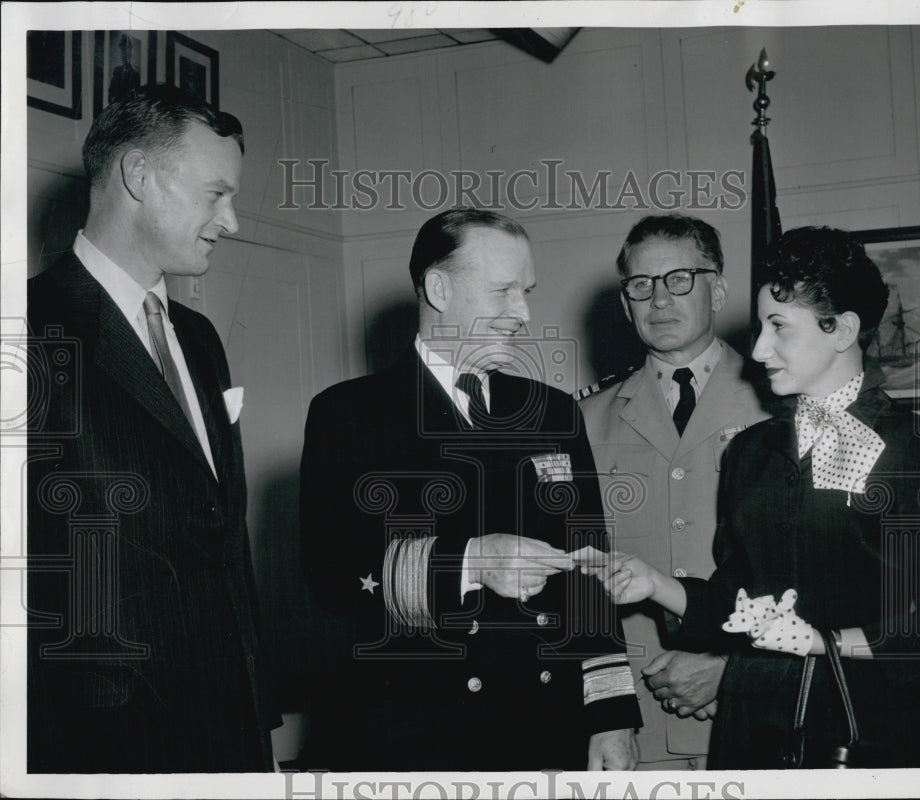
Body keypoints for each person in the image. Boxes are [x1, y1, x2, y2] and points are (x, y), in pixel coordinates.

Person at [577, 227, 920, 768]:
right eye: (762, 327)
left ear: (842, 330)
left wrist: (822, 642)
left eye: (779, 327)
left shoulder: (914, 447)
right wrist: (655, 584)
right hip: (750, 732)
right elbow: (737, 600)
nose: (759, 348)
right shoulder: (752, 449)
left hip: (864, 736)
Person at [299, 208, 641, 771]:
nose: (523, 313)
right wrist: (472, 561)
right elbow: (333, 575)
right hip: (416, 736)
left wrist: (611, 715)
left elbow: (590, 569)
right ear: (439, 289)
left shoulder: (552, 412)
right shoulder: (350, 413)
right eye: (503, 291)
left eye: (526, 292)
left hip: (546, 725)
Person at [27, 85, 276, 772]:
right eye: (215, 195)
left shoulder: (198, 337)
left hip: (230, 720)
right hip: (101, 737)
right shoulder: (25, 327)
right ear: (138, 175)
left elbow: (221, 539)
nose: (231, 221)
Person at [578, 215, 768, 769]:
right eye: (641, 285)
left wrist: (733, 668)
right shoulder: (583, 422)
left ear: (719, 291)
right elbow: (575, 587)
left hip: (756, 712)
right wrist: (605, 713)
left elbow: (816, 578)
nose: (659, 299)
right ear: (625, 303)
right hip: (637, 720)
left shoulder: (779, 406)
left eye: (680, 279)